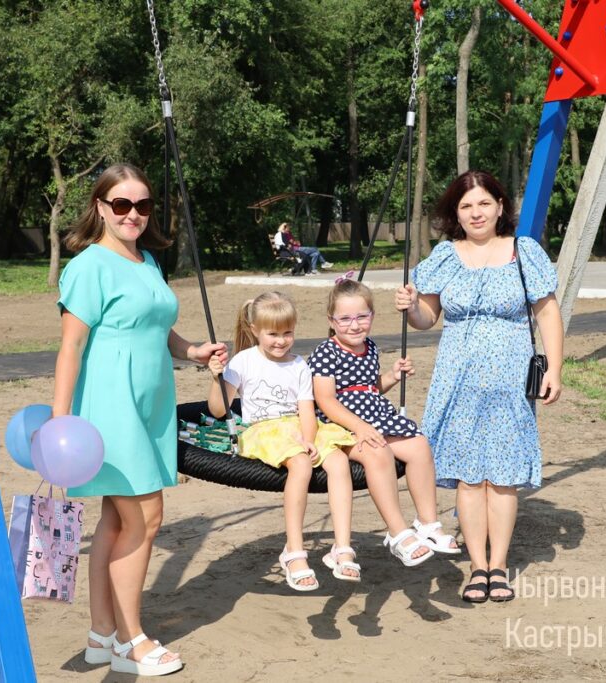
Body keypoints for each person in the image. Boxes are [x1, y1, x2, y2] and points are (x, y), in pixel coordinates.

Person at [54, 163, 226, 676]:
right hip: (112, 405)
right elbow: (70, 348)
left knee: (116, 519)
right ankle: (132, 642)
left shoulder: (147, 260)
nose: (133, 214)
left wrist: (192, 351)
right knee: (145, 519)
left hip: (151, 407)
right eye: (122, 204)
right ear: (101, 206)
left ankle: (101, 635)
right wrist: (60, 422)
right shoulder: (89, 266)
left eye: (143, 204)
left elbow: (155, 326)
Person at [395, 170, 564, 605]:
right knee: (470, 479)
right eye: (466, 206)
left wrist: (555, 369)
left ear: (500, 206)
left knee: (502, 478)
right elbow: (426, 319)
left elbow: (547, 312)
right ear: (456, 213)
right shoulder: (445, 257)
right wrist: (411, 306)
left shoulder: (523, 252)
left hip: (510, 380)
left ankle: (499, 565)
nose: (476, 213)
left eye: (484, 203)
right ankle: (477, 566)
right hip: (458, 380)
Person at [207, 291, 359, 590]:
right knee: (301, 464)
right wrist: (216, 378)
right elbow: (218, 409)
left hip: (297, 426)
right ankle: (294, 551)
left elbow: (306, 410)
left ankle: (342, 547)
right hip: (262, 430)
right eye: (273, 334)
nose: (281, 341)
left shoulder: (299, 364)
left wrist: (309, 438)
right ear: (255, 330)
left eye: (287, 333)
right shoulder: (243, 361)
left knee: (339, 460)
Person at [309, 278, 460, 568]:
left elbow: (370, 388)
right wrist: (359, 427)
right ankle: (397, 531)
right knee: (379, 452)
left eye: (362, 317)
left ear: (372, 315)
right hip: (339, 426)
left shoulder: (370, 347)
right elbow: (325, 400)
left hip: (375, 418)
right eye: (345, 319)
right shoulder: (326, 352)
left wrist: (392, 376)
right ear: (331, 320)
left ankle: (427, 523)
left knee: (419, 445)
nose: (355, 325)